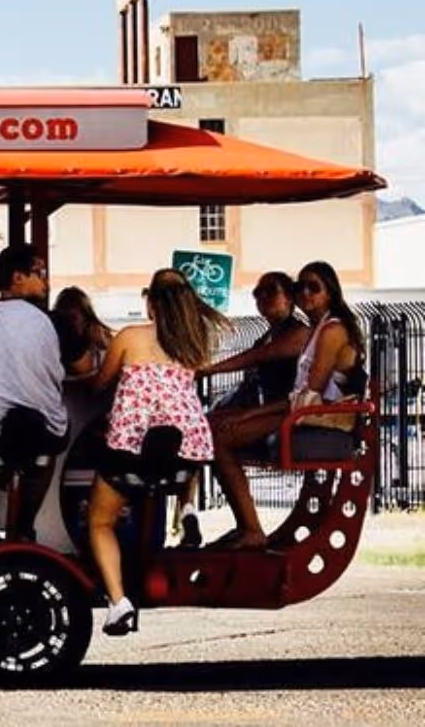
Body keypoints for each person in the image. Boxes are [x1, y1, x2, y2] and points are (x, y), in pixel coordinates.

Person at [88, 268, 226, 635]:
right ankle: (187, 507)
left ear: (150, 302)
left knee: (100, 522)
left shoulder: (130, 337)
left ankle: (119, 603)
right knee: (184, 438)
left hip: (133, 450)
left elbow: (99, 384)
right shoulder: (193, 345)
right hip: (186, 452)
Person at [212, 261, 366, 550]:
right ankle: (239, 525)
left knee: (220, 439)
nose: (305, 293)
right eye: (300, 287)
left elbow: (308, 395)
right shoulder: (316, 329)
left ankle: (251, 528)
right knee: (214, 427)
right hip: (304, 412)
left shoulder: (332, 331)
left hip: (318, 416)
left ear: (330, 293)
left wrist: (252, 413)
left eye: (314, 287)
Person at [176, 271, 307, 546]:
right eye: (257, 293)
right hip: (272, 410)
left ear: (289, 297)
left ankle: (251, 527)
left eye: (270, 291)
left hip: (289, 412)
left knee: (218, 439)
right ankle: (188, 511)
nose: (262, 298)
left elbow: (258, 358)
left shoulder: (298, 333)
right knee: (200, 427)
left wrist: (207, 370)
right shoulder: (269, 335)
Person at [0, 244, 72, 545]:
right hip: (47, 431)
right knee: (46, 455)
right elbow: (82, 365)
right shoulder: (55, 322)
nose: (45, 282)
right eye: (40, 274)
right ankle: (25, 528)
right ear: (18, 278)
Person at [52, 286, 115, 377]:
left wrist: (105, 347)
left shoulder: (100, 338)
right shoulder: (55, 339)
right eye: (63, 319)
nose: (67, 324)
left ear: (86, 318)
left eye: (73, 318)